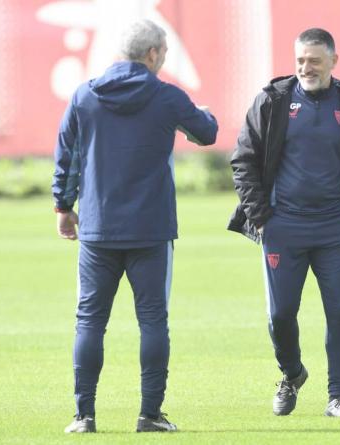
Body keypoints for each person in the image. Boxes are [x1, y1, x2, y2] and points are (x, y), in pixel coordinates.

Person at [52, 19, 218, 433]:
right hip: (151, 229)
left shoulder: (86, 96)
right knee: (152, 321)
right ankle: (149, 415)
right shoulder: (166, 98)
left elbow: (67, 155)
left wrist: (63, 205)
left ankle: (83, 415)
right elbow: (207, 132)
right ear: (153, 54)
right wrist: (201, 115)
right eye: (163, 52)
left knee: (89, 320)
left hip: (98, 228)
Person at [228, 28, 340, 417]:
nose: (306, 68)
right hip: (283, 227)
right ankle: (292, 373)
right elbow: (243, 160)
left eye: (314, 60)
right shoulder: (273, 101)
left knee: (339, 312)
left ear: (334, 61)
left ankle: (338, 395)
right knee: (281, 315)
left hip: (337, 227)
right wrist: (261, 218)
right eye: (300, 60)